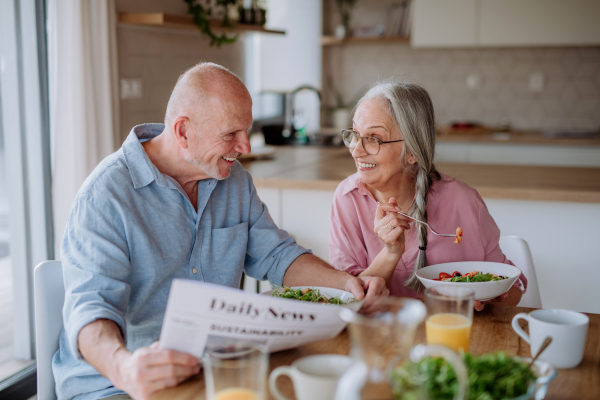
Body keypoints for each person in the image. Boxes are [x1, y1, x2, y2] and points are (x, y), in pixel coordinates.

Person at [53, 62, 388, 400]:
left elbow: (278, 256)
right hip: (119, 385)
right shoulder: (107, 194)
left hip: (216, 367)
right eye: (231, 134)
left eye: (247, 131)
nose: (245, 147)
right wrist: (124, 368)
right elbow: (90, 308)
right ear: (183, 131)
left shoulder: (234, 180)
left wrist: (347, 284)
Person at [328, 80, 526, 307]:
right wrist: (391, 253)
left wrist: (484, 297)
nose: (356, 150)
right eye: (354, 134)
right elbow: (349, 301)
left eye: (374, 139)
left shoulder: (464, 203)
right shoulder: (348, 197)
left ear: (412, 151)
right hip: (382, 333)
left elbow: (514, 289)